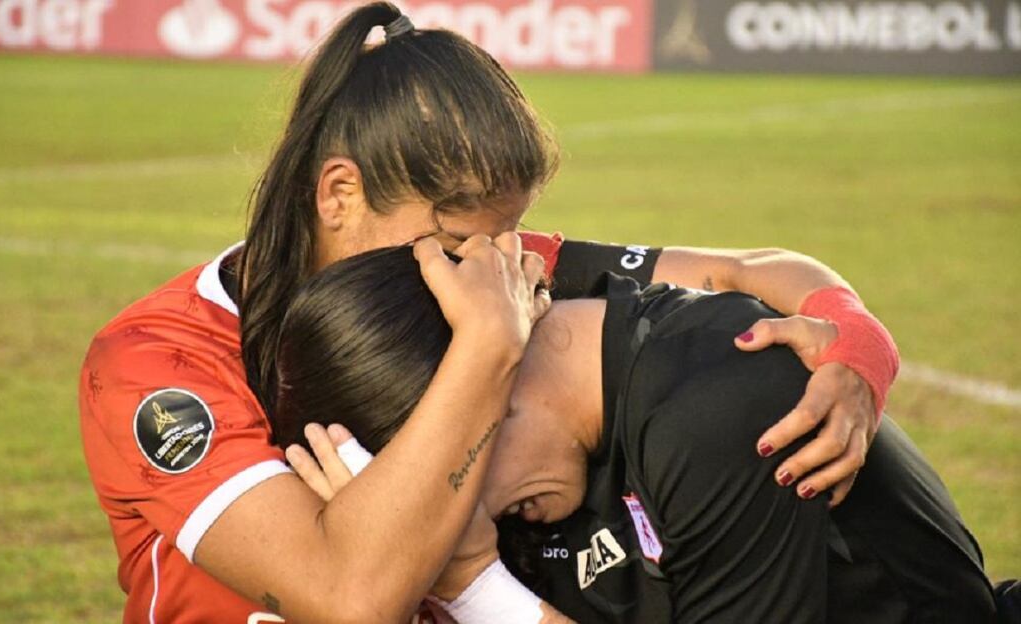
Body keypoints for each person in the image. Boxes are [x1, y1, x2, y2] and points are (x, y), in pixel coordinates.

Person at [79, 2, 899, 621]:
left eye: (506, 235)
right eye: (460, 235)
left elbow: (747, 270)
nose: (498, 263)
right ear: (338, 193)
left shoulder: (476, 264)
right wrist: (486, 347)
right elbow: (346, 597)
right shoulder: (160, 362)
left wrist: (857, 346)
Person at [273, 245, 997, 624]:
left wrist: (474, 587)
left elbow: (746, 267)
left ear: (489, 374)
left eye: (443, 477)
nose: (458, 516)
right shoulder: (504, 323)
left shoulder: (726, 407)